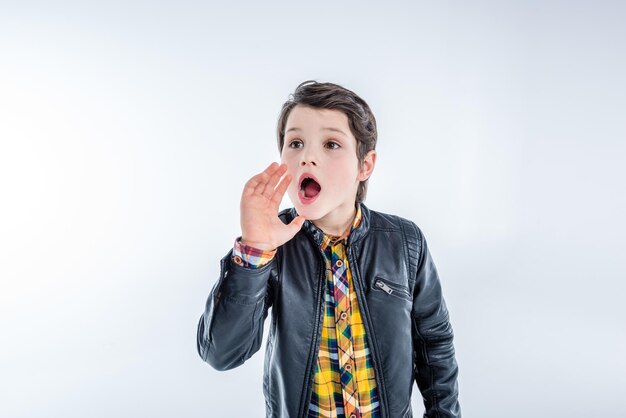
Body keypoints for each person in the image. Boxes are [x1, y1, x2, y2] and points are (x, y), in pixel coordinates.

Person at [197, 80, 461, 418]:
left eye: (331, 144)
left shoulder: (405, 242)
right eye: (295, 143)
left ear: (365, 165)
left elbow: (434, 345)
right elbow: (221, 354)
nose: (308, 157)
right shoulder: (270, 249)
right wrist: (254, 253)